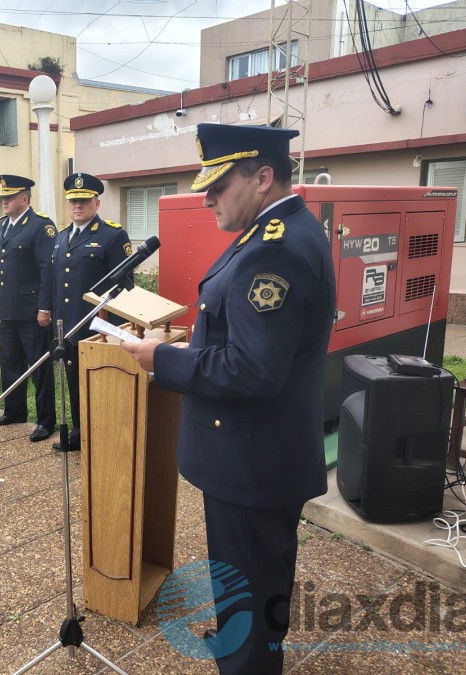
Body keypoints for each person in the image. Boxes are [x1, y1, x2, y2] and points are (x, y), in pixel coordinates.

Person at [121, 124, 336, 674]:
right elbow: (244, 341)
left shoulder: (276, 248)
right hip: (252, 457)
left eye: (218, 184)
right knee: (248, 587)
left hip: (253, 465)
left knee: (251, 598)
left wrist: (162, 359)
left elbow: (254, 369)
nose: (207, 195)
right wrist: (195, 344)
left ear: (263, 177)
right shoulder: (272, 233)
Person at [51, 173, 132, 451]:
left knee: (99, 383)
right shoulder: (62, 238)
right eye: (73, 201)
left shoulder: (112, 235)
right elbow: (56, 282)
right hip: (68, 324)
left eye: (84, 201)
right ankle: (79, 431)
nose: (77, 206)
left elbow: (124, 287)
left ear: (96, 204)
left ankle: (100, 434)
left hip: (98, 325)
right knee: (73, 378)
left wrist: (121, 331)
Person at [0, 175, 57, 442]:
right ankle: (14, 410)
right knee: (10, 364)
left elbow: (47, 270)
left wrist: (44, 308)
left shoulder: (40, 227)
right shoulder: (2, 225)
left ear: (24, 199)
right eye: (3, 197)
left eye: (10, 197)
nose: (4, 201)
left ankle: (45, 420)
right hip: (8, 310)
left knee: (39, 368)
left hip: (31, 313)